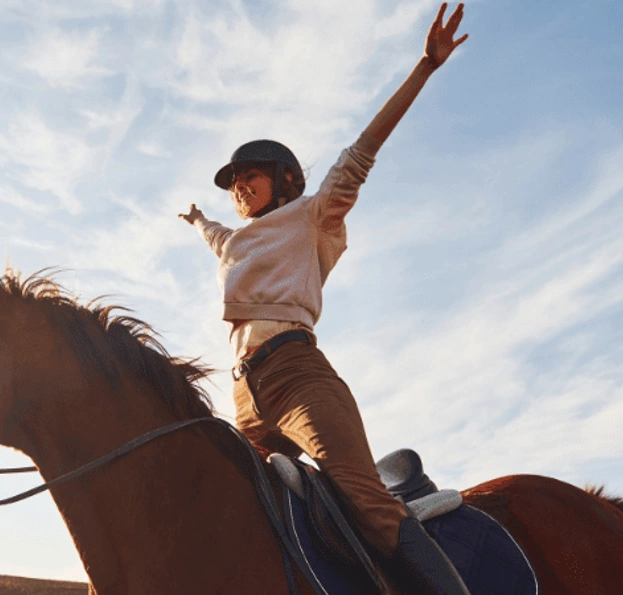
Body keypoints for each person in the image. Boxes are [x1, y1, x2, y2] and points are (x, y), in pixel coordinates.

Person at [179, 3, 470, 595]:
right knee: (233, 511)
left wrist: (424, 68)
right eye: (234, 179)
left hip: (296, 373)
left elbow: (360, 153)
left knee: (366, 503)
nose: (239, 183)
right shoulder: (238, 239)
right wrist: (198, 221)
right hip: (245, 395)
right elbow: (220, 243)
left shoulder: (312, 215)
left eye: (250, 172)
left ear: (286, 178)